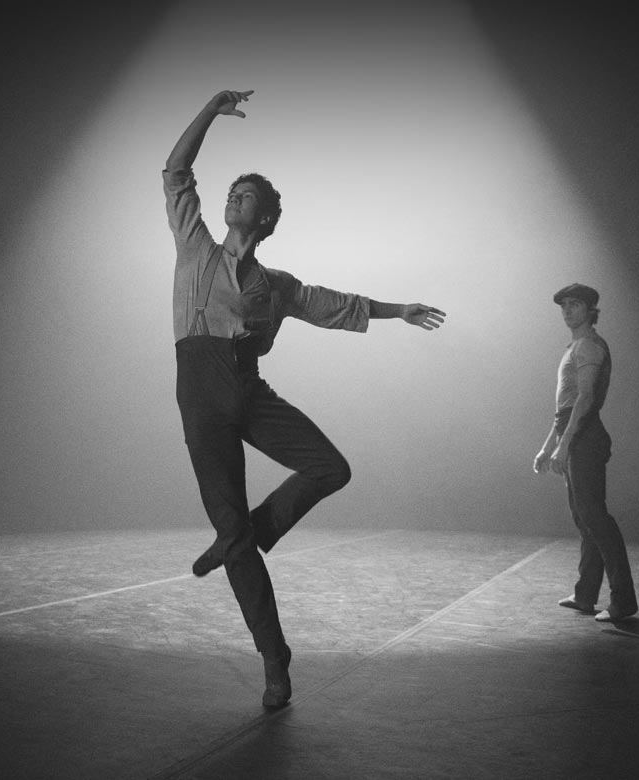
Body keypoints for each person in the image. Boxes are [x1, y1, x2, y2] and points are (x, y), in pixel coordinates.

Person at [164, 89, 445, 708]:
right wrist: (209, 111)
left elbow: (332, 304)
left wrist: (400, 310)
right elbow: (176, 172)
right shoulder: (195, 246)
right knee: (234, 542)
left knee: (330, 468)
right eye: (233, 190)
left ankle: (248, 530)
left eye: (248, 195)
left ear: (264, 220)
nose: (235, 196)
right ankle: (274, 658)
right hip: (199, 391)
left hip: (246, 387)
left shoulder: (276, 284)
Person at [533, 283, 638, 622]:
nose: (567, 310)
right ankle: (585, 596)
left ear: (590, 309)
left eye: (575, 304)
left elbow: (586, 399)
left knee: (596, 519)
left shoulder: (590, 346)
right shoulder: (573, 346)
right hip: (575, 433)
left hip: (586, 436)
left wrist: (564, 446)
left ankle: (623, 602)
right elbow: (562, 409)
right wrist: (548, 446)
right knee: (586, 520)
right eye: (564, 304)